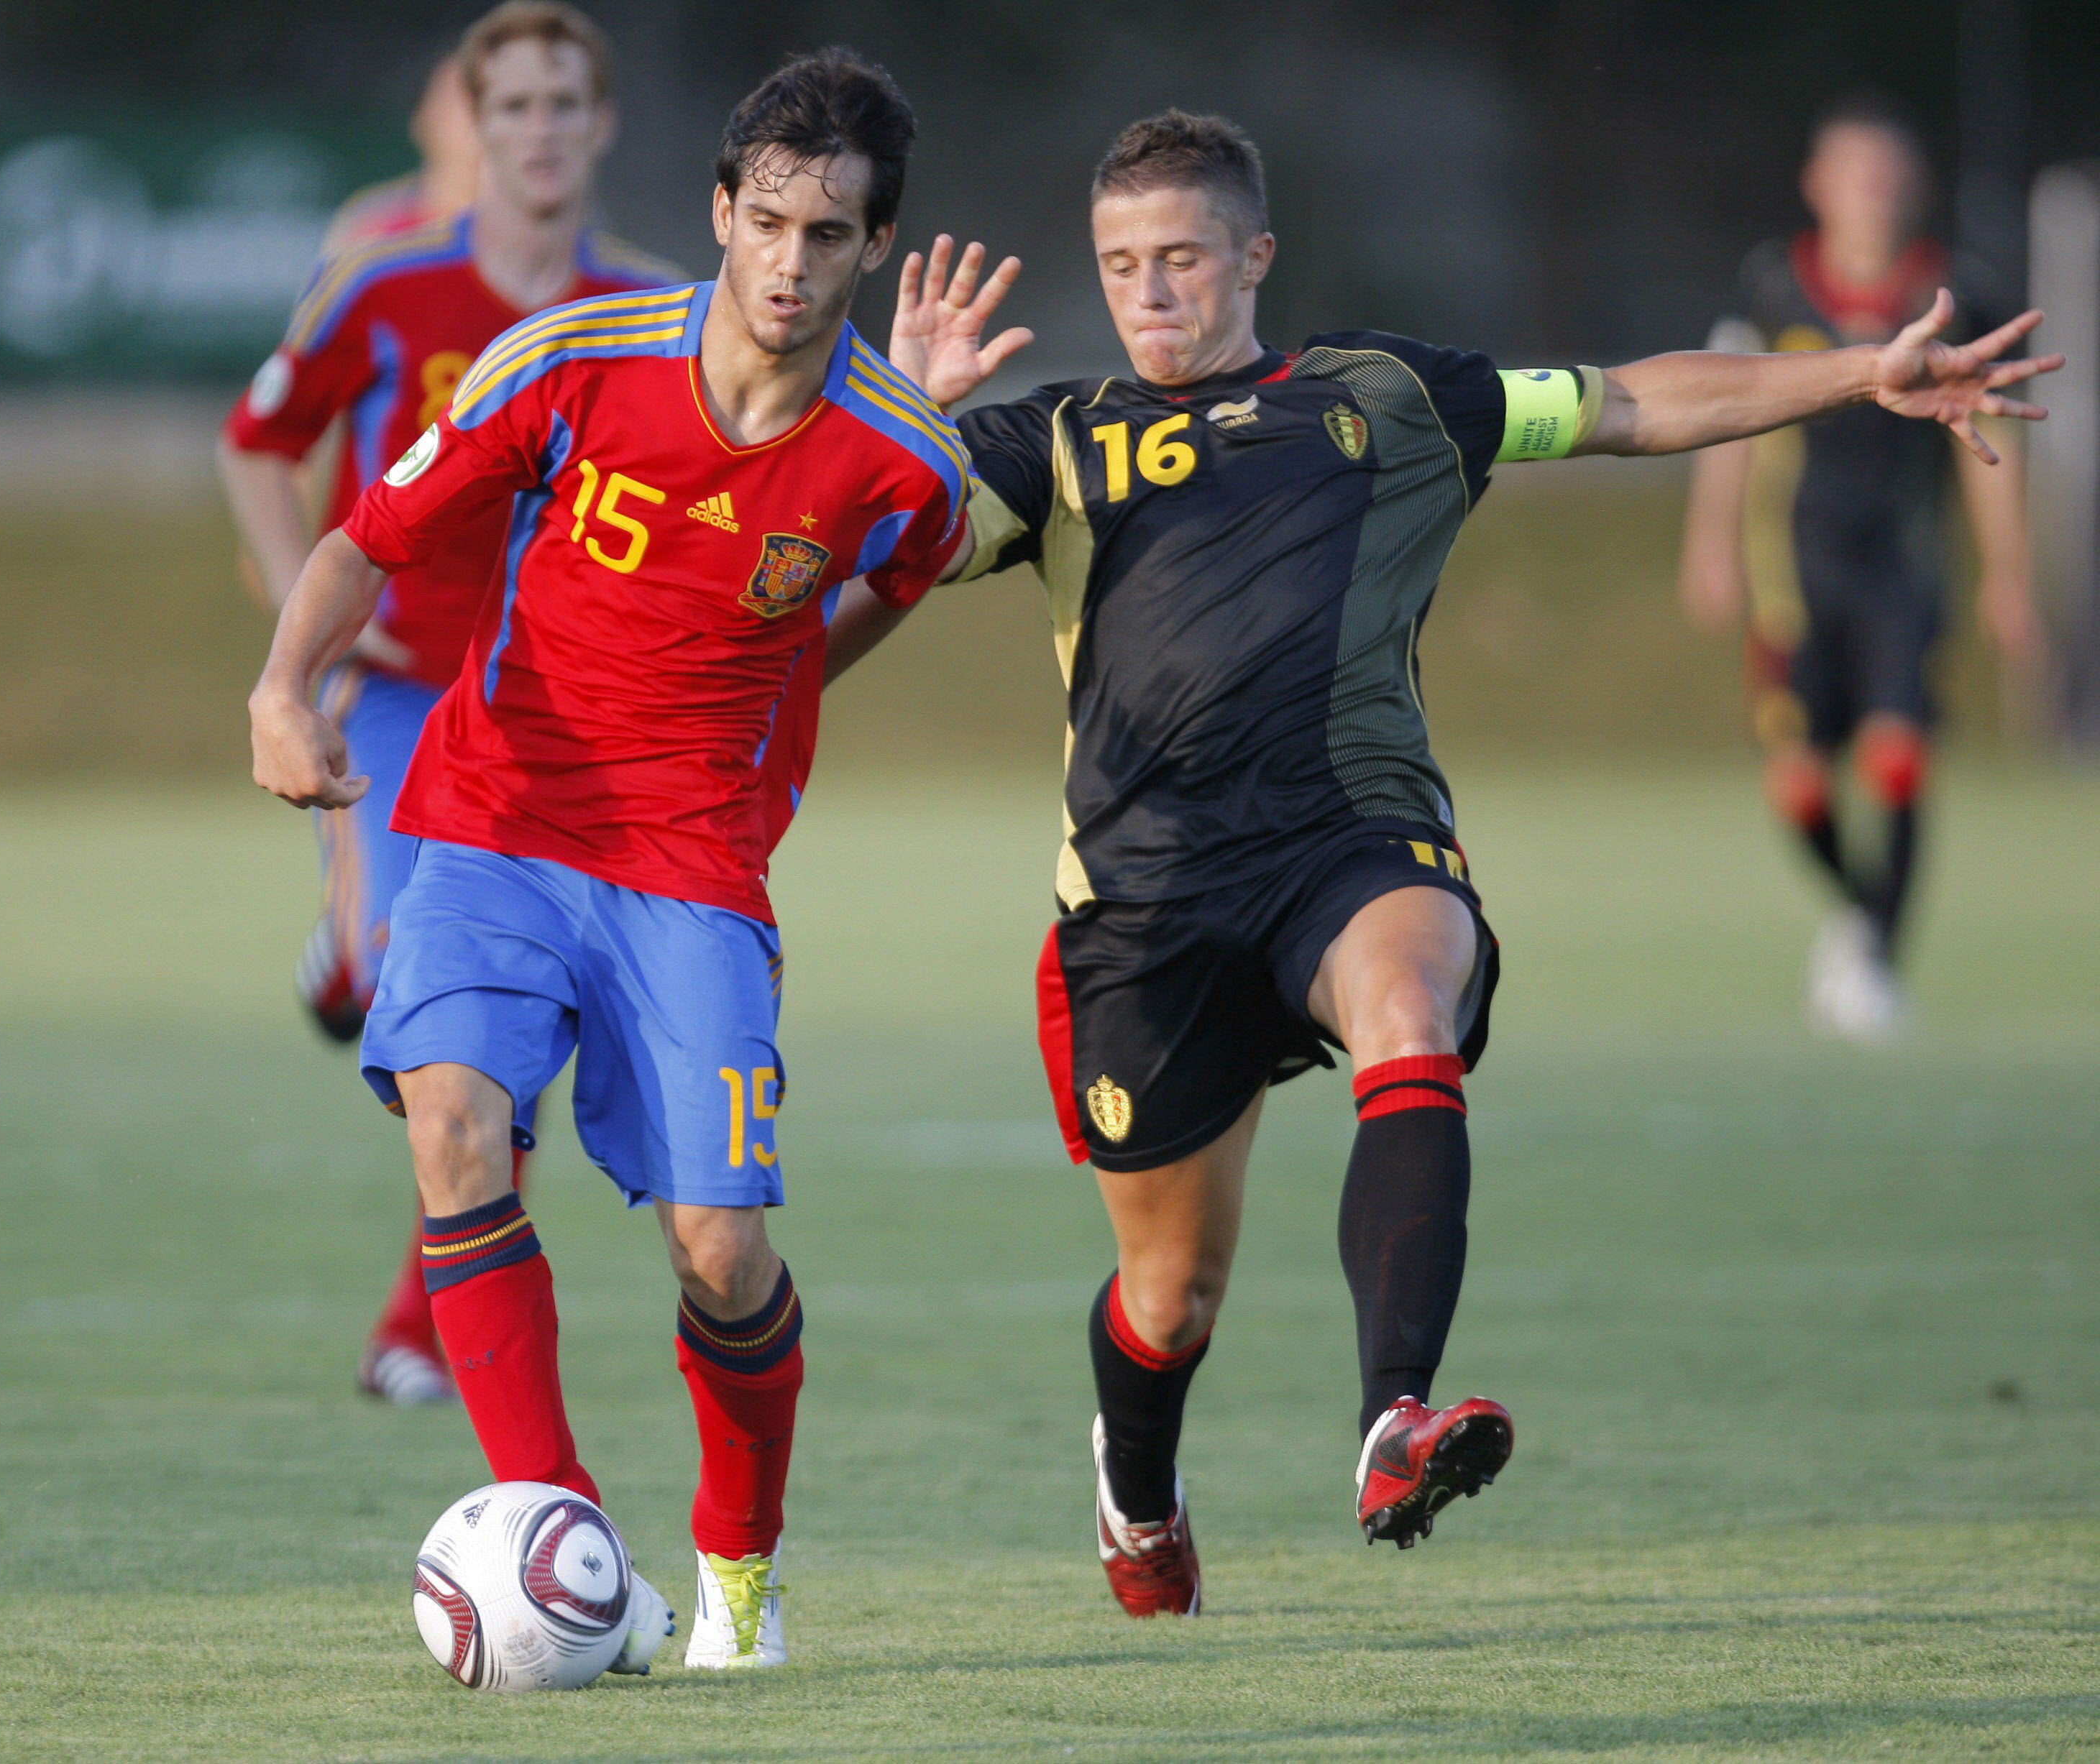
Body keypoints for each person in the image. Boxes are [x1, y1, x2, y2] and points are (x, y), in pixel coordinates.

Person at [841, 109, 2056, 1617]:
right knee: (1172, 1295)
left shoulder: (1388, 394)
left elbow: (1626, 403)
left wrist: (1861, 374)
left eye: (1181, 260)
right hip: (1148, 903)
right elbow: (853, 552)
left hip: (1353, 840)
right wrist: (889, 414)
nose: (1149, 294)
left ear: (1254, 256)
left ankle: (1392, 1420)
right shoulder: (1058, 437)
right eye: (1120, 266)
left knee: (1409, 1012)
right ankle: (1137, 1489)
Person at [247, 47, 973, 1671]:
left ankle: (737, 1575)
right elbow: (373, 534)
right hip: (497, 821)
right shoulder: (568, 360)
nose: (789, 264)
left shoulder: (899, 454)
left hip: (695, 869)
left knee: (720, 1249)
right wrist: (282, 686)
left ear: (870, 247)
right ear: (718, 211)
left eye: (830, 234)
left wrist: (779, 695)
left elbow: (909, 573)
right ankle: (565, 1543)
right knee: (456, 1125)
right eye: (767, 220)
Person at [219, 1, 680, 1407]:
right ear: (469, 130)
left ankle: (418, 1322)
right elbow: (257, 442)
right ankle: (344, 961)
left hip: (560, 719)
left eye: (564, 105)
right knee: (389, 975)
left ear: (602, 126)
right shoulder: (382, 284)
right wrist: (311, 617)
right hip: (405, 693)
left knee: (499, 1005)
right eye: (514, 107)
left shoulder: (658, 314)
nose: (539, 131)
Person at [1677, 96, 2042, 1042]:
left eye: (1888, 175)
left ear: (1914, 189)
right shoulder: (1772, 287)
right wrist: (1709, 541)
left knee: (1899, 758)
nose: (1872, 192)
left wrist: (2008, 574)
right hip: (1792, 577)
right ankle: (1860, 918)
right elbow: (1720, 416)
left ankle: (1874, 957)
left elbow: (1994, 450)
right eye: (1854, 174)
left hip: (1900, 573)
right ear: (1818, 187)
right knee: (1799, 784)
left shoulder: (1964, 294)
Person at [324, 52, 485, 250]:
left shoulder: (526, 232)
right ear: (421, 118)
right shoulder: (376, 226)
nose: (474, 124)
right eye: (462, 104)